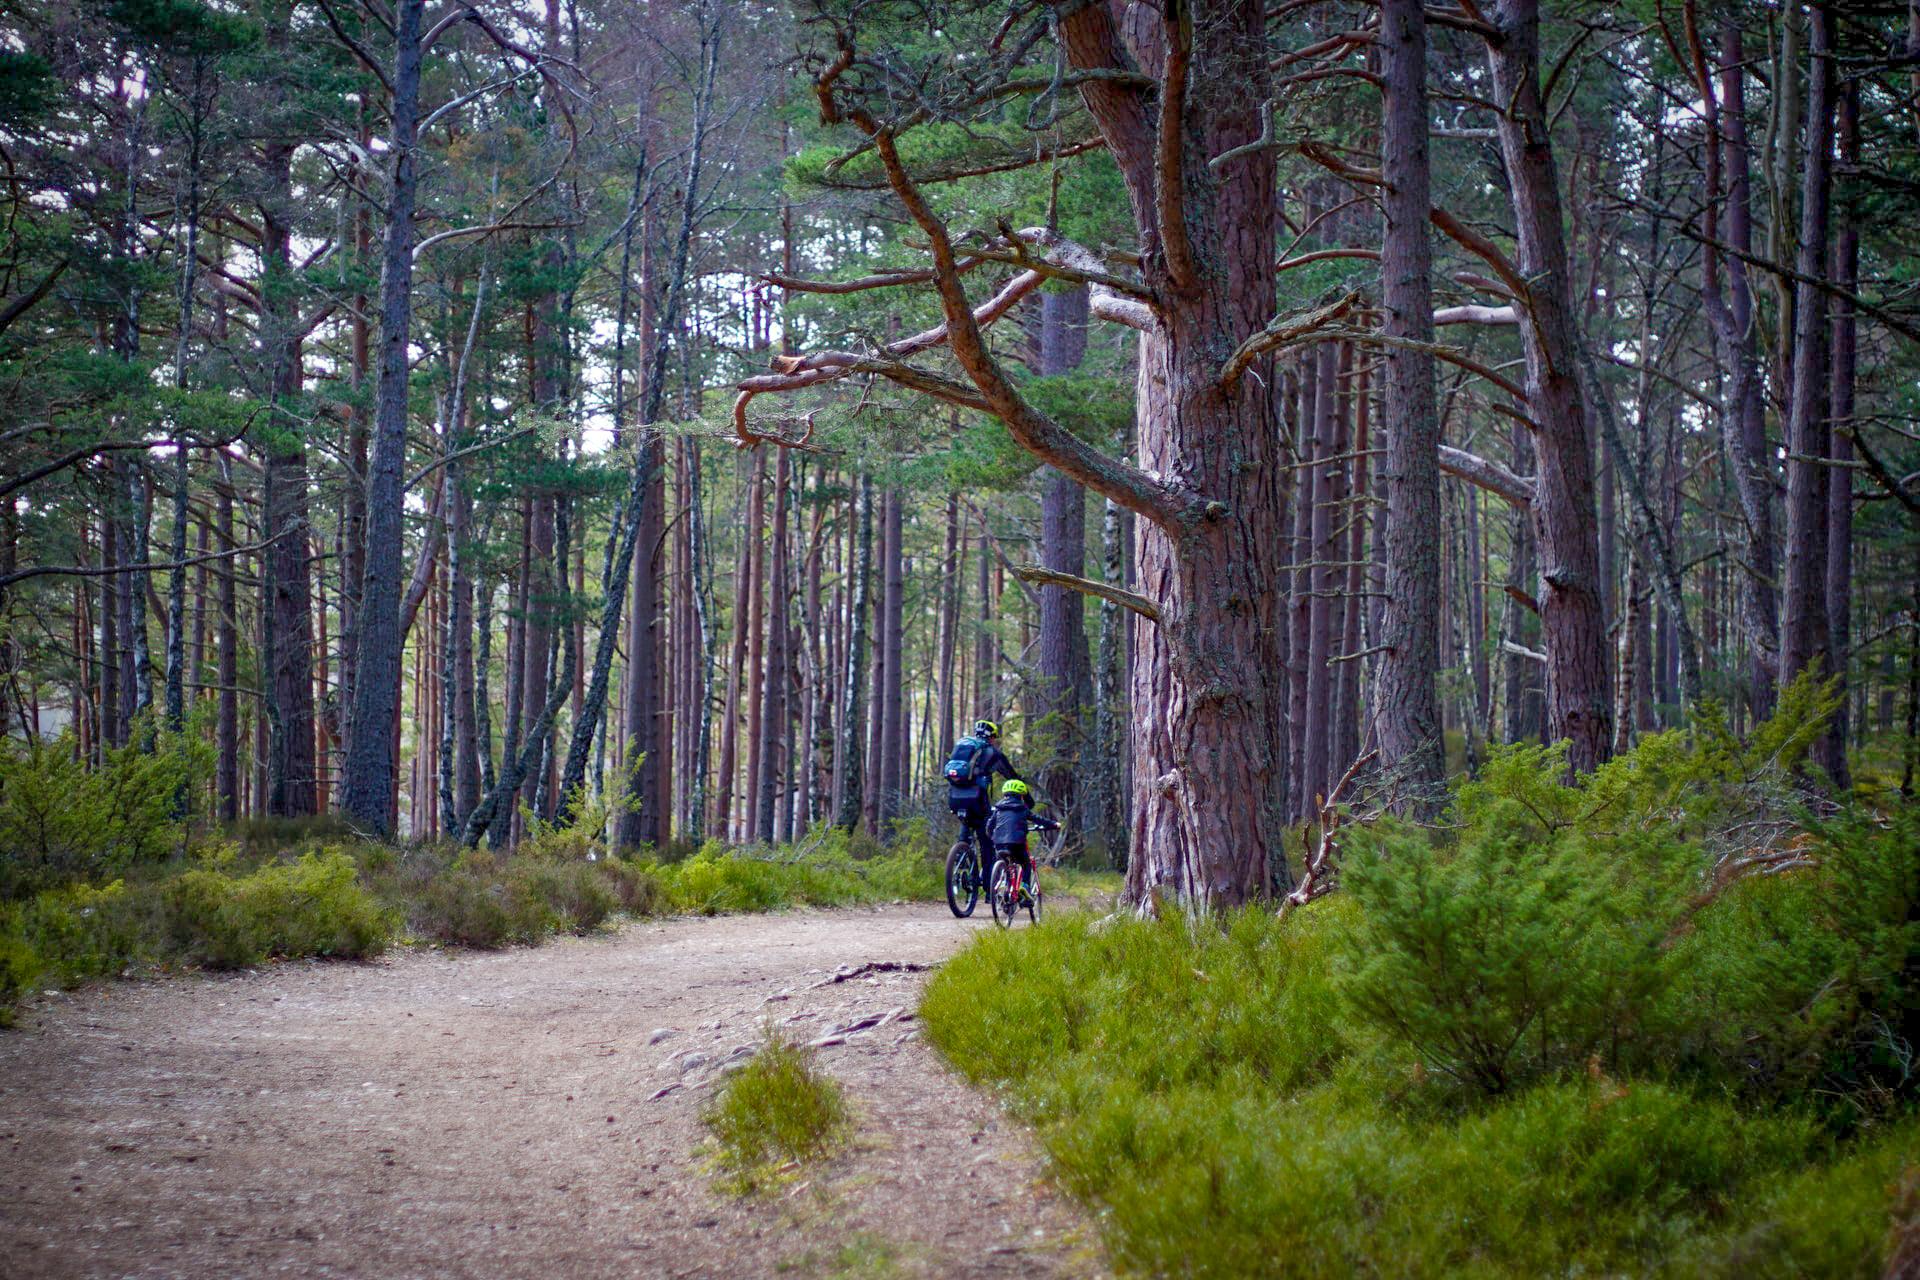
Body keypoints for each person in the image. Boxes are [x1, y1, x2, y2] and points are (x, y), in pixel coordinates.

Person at [943, 719, 1020, 860]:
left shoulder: (963, 747)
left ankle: (961, 855)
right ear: (990, 737)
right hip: (977, 800)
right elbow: (1012, 777)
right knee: (986, 841)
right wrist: (1027, 800)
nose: (994, 741)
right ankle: (986, 879)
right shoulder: (992, 753)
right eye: (994, 738)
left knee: (966, 823)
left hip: (954, 799)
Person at [985, 779, 1057, 903]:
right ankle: (1024, 887)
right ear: (1021, 795)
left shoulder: (998, 809)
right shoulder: (1022, 808)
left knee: (1005, 863)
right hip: (1017, 842)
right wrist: (1054, 824)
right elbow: (1037, 819)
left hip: (999, 843)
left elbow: (989, 826)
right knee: (1026, 864)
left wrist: (992, 837)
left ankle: (1002, 883)